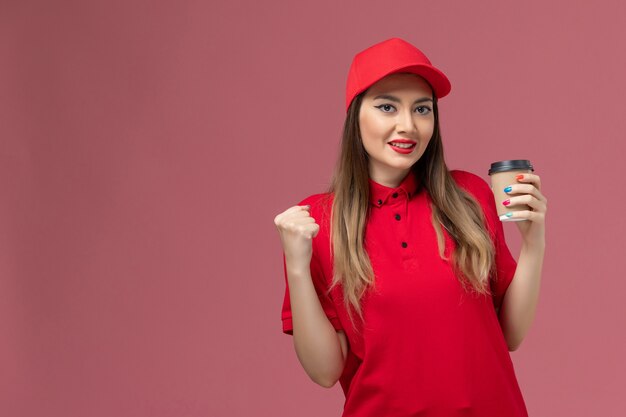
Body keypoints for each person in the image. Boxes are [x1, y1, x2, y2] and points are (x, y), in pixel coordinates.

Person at [273, 37, 547, 417]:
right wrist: (297, 266)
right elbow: (324, 371)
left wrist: (534, 243)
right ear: (356, 116)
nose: (408, 126)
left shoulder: (471, 196)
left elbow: (510, 336)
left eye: (422, 109)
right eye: (387, 106)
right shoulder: (316, 221)